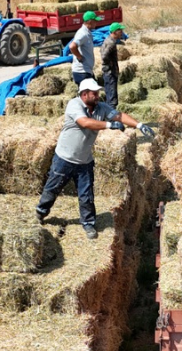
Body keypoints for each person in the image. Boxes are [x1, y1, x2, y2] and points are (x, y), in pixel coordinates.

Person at [37, 79, 154, 239]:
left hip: (84, 161)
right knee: (52, 188)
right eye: (94, 93)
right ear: (84, 94)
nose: (98, 95)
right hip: (64, 158)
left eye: (98, 92)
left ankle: (89, 224)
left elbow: (119, 115)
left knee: (86, 195)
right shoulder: (74, 105)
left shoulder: (101, 107)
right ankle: (41, 212)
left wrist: (139, 125)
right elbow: (84, 123)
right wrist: (109, 125)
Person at [68, 11, 101, 84]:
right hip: (82, 72)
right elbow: (72, 46)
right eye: (95, 21)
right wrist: (79, 57)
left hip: (86, 71)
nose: (96, 23)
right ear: (90, 21)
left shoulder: (87, 32)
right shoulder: (83, 33)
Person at [101, 22, 126, 108]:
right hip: (110, 73)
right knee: (112, 100)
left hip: (107, 73)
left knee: (109, 97)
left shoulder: (107, 40)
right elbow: (104, 56)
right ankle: (111, 118)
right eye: (120, 30)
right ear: (115, 32)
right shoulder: (111, 43)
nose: (122, 32)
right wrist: (110, 65)